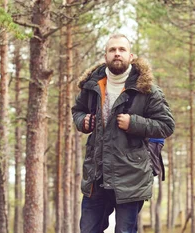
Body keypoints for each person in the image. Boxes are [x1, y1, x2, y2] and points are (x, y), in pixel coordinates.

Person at [72, 34, 175, 233]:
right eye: (112, 50)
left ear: (131, 55)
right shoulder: (92, 86)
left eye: (122, 50)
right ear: (105, 56)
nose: (117, 53)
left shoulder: (148, 90)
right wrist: (82, 121)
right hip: (96, 175)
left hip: (131, 178)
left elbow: (166, 125)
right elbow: (77, 110)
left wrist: (134, 123)